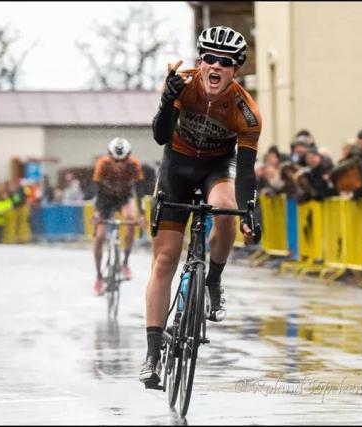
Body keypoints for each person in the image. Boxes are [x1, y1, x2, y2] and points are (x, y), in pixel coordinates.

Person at [140, 25, 262, 388]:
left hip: (215, 169)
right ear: (200, 61)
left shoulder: (246, 111)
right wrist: (167, 99)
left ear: (235, 70)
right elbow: (161, 135)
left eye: (224, 62)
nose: (215, 65)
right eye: (208, 58)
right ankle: (151, 351)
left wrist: (251, 210)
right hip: (176, 165)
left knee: (225, 211)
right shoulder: (183, 83)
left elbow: (246, 171)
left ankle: (213, 280)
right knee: (165, 260)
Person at [92, 137, 144, 296]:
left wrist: (141, 214)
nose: (120, 164)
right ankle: (99, 277)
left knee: (130, 221)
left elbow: (139, 190)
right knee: (100, 236)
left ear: (129, 156)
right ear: (110, 156)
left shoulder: (134, 164)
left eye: (123, 160)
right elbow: (97, 190)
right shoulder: (102, 164)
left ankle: (125, 263)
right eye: (116, 160)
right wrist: (97, 213)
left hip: (124, 197)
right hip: (105, 199)